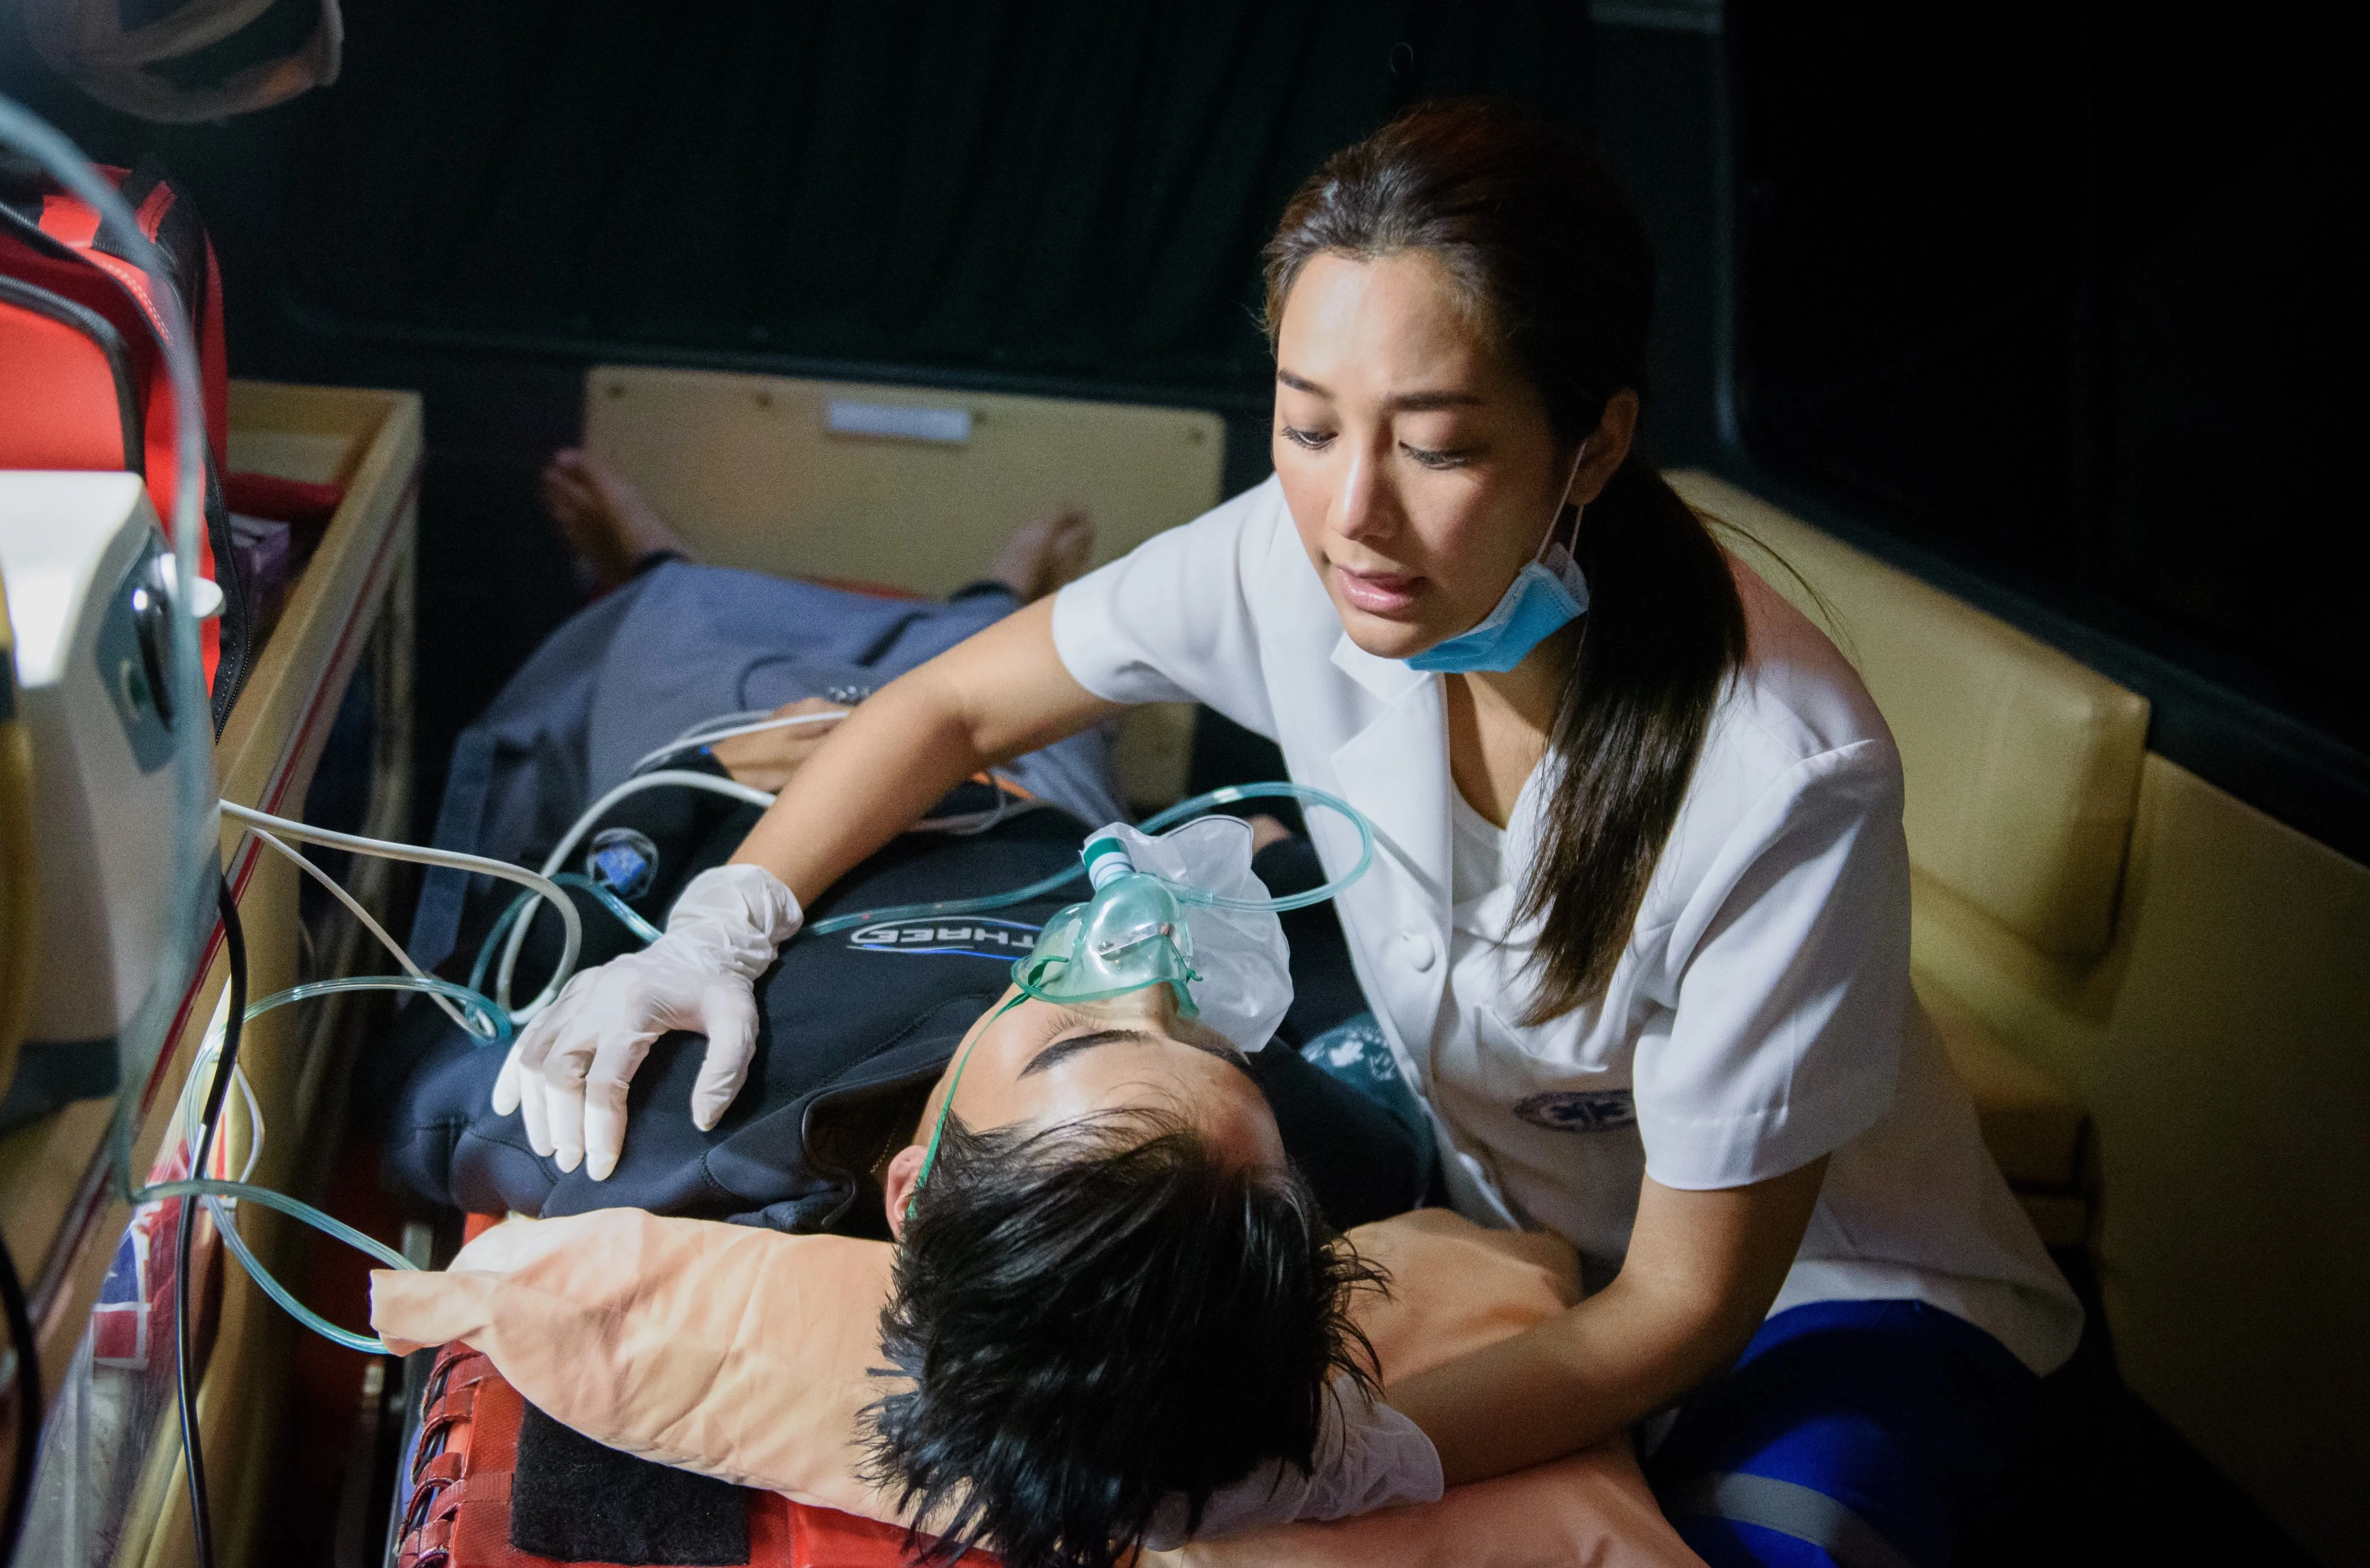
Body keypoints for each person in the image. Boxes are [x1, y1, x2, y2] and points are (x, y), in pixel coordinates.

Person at [499, 100, 2085, 1568]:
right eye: (1309, 425)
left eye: (1442, 444)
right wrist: (722, 922)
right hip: (1533, 1246)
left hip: (1822, 1303)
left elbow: (1684, 1305)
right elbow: (952, 712)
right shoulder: (1290, 558)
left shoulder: (1775, 781)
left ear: (1594, 443)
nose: (1353, 516)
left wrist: (1326, 1451)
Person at [374, 492, 1441, 1568]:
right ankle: (997, 584)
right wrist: (1276, 862)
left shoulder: (662, 1126)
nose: (1137, 959)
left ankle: (649, 564)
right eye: (1208, 1041)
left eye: (1074, 1038)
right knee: (988, 653)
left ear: (915, 1184)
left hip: (764, 776)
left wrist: (676, 808)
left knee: (690, 619)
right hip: (1046, 780)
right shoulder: (1293, 1171)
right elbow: (1345, 1003)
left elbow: (420, 1091)